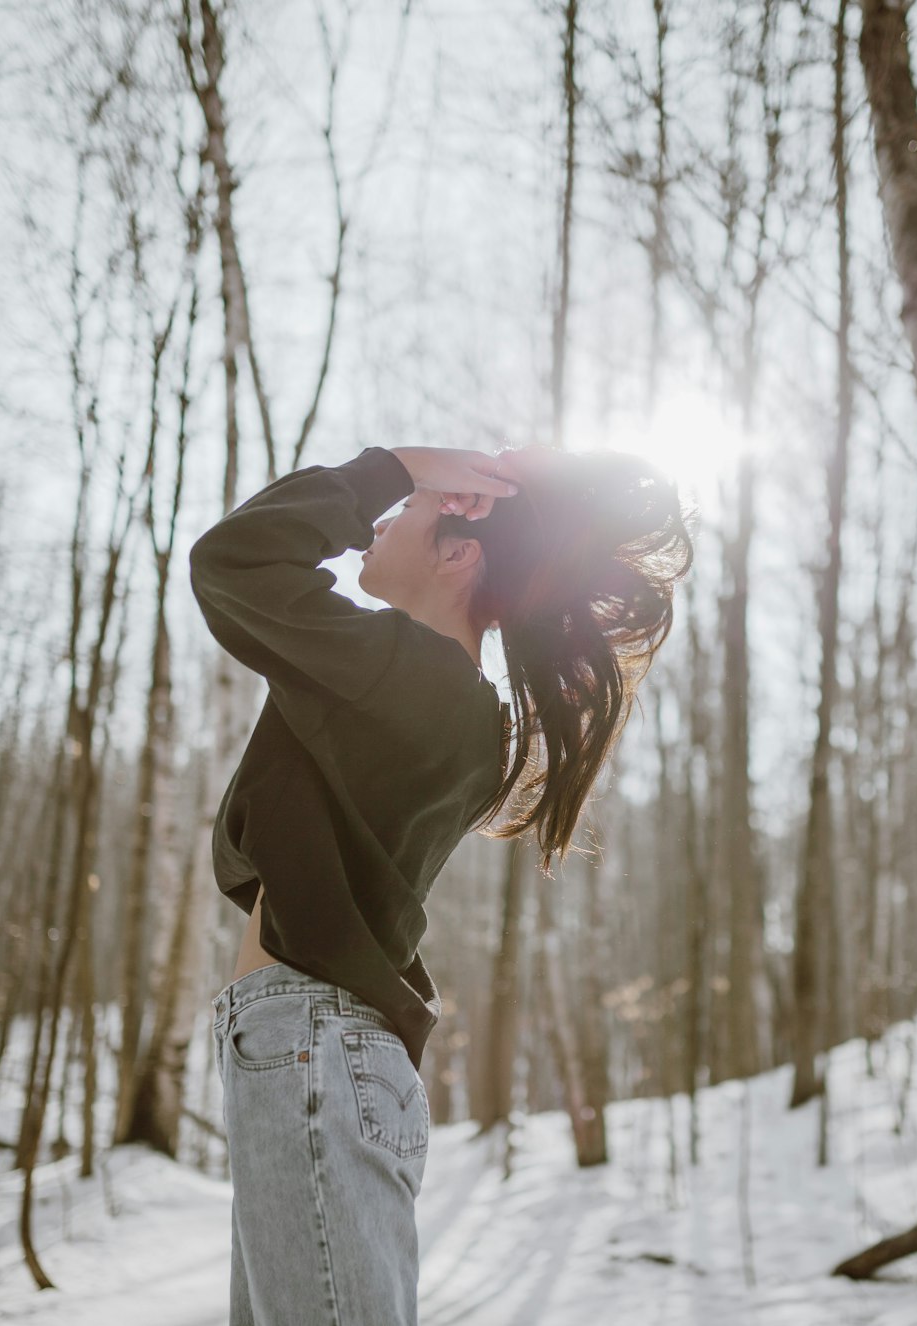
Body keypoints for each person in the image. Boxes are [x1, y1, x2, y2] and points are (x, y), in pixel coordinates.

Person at [190, 442, 693, 1325]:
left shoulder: (409, 678)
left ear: (459, 553)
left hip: (311, 1047)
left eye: (404, 513)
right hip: (308, 1048)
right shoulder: (427, 694)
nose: (376, 523)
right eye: (395, 501)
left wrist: (396, 463)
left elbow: (233, 559)